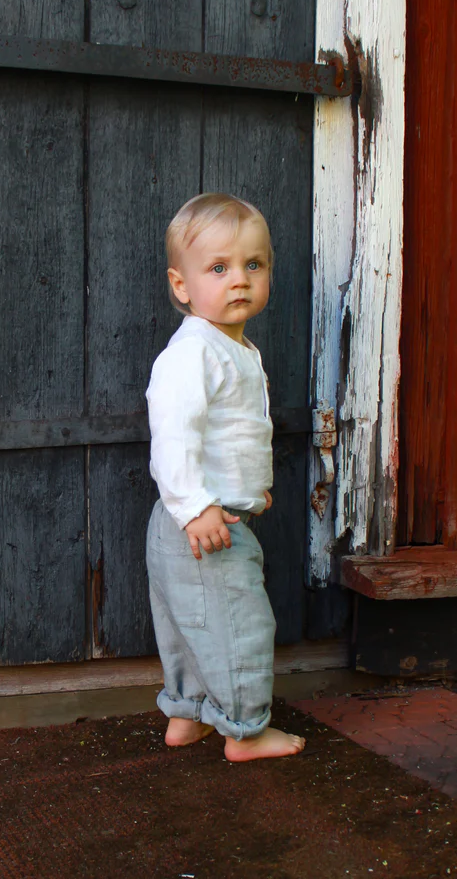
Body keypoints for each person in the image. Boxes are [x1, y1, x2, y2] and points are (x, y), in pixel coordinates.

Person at [145, 192, 306, 762]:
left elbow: (229, 437)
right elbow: (174, 436)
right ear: (182, 285)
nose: (239, 279)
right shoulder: (193, 353)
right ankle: (245, 731)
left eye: (253, 264)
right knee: (238, 626)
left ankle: (188, 715)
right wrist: (197, 507)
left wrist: (248, 487)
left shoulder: (232, 348)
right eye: (218, 268)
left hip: (205, 516)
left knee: (196, 626)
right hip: (200, 523)